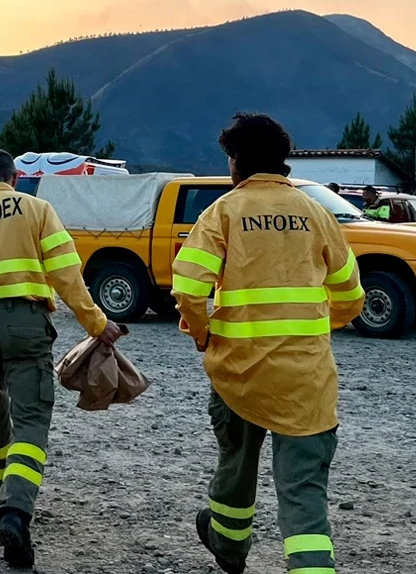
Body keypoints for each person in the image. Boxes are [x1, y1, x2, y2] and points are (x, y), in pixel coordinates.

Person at [172, 113, 365, 574]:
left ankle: (230, 546)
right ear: (282, 162)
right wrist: (313, 331)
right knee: (304, 494)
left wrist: (203, 333)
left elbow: (188, 288)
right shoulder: (317, 214)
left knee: (236, 465)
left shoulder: (222, 212)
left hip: (239, 373)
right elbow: (352, 296)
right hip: (306, 379)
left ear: (237, 162)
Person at [0, 149, 122, 568]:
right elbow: (66, 276)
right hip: (25, 323)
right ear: (14, 178)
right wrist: (96, 324)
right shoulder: (36, 209)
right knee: (31, 419)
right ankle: (16, 511)